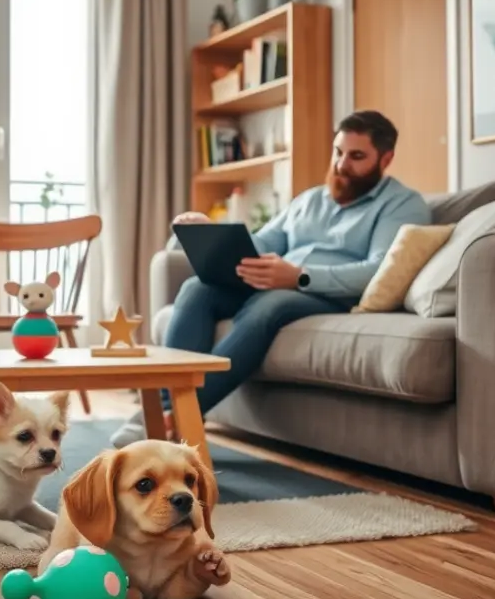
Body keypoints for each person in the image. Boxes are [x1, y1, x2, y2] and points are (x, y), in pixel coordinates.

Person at [111, 109, 432, 449]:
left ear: (386, 158)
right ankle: (163, 411)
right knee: (196, 289)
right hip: (275, 279)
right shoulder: (309, 200)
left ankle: (172, 420)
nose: (341, 165)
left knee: (268, 305)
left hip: (323, 293)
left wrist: (299, 277)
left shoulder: (402, 204)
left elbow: (377, 270)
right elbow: (262, 243)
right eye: (338, 152)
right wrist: (215, 234)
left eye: (356, 157)